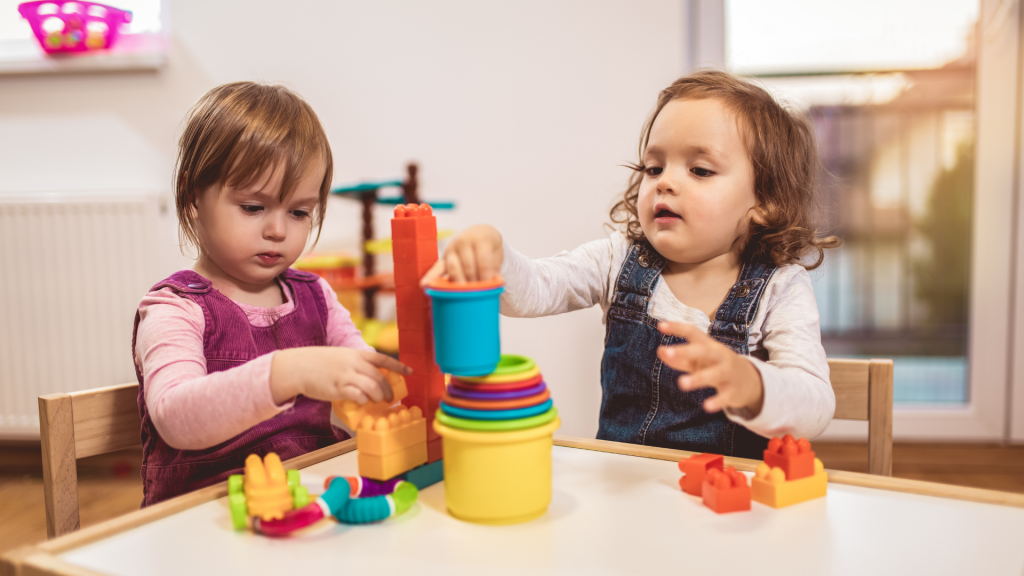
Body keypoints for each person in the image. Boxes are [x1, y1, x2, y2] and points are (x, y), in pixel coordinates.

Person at [422, 70, 839, 458]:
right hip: (624, 492)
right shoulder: (618, 259)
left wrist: (751, 383)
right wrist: (494, 254)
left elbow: (815, 406)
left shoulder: (780, 288)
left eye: (700, 169)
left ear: (765, 201)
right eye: (653, 167)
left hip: (727, 507)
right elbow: (535, 290)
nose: (665, 181)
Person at [133, 82, 409, 505]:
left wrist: (386, 393)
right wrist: (286, 373)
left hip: (306, 503)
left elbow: (362, 375)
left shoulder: (316, 296)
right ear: (192, 197)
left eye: (299, 212)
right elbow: (174, 417)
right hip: (202, 518)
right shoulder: (175, 309)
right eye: (253, 207)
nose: (278, 230)